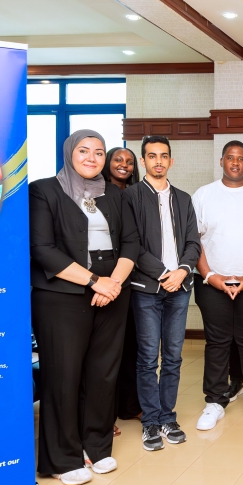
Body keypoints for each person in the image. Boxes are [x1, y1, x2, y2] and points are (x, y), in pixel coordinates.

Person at [29, 129, 138, 485]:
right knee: (63, 376)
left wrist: (113, 283)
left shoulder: (114, 195)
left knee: (102, 374)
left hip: (113, 293)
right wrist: (94, 281)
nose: (92, 158)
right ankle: (62, 458)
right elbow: (42, 249)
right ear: (69, 153)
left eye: (99, 152)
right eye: (84, 150)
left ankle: (97, 447)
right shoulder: (44, 191)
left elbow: (131, 243)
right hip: (62, 296)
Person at [123, 136, 200, 452]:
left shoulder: (183, 198)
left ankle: (168, 418)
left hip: (179, 288)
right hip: (147, 289)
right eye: (152, 156)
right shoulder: (130, 197)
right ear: (143, 161)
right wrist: (162, 273)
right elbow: (131, 244)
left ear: (171, 160)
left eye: (164, 156)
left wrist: (182, 270)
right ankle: (151, 422)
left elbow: (193, 242)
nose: (158, 161)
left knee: (173, 357)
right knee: (146, 358)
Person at [193, 140, 243, 431]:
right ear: (222, 161)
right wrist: (209, 275)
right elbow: (194, 240)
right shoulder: (204, 195)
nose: (235, 163)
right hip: (211, 282)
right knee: (217, 342)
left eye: (241, 158)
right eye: (230, 157)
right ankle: (215, 401)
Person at [104, 146, 141, 435]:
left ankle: (130, 405)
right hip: (101, 279)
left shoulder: (136, 194)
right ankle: (105, 413)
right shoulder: (95, 192)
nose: (123, 165)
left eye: (129, 162)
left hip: (133, 280)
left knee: (132, 347)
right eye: (118, 159)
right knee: (106, 352)